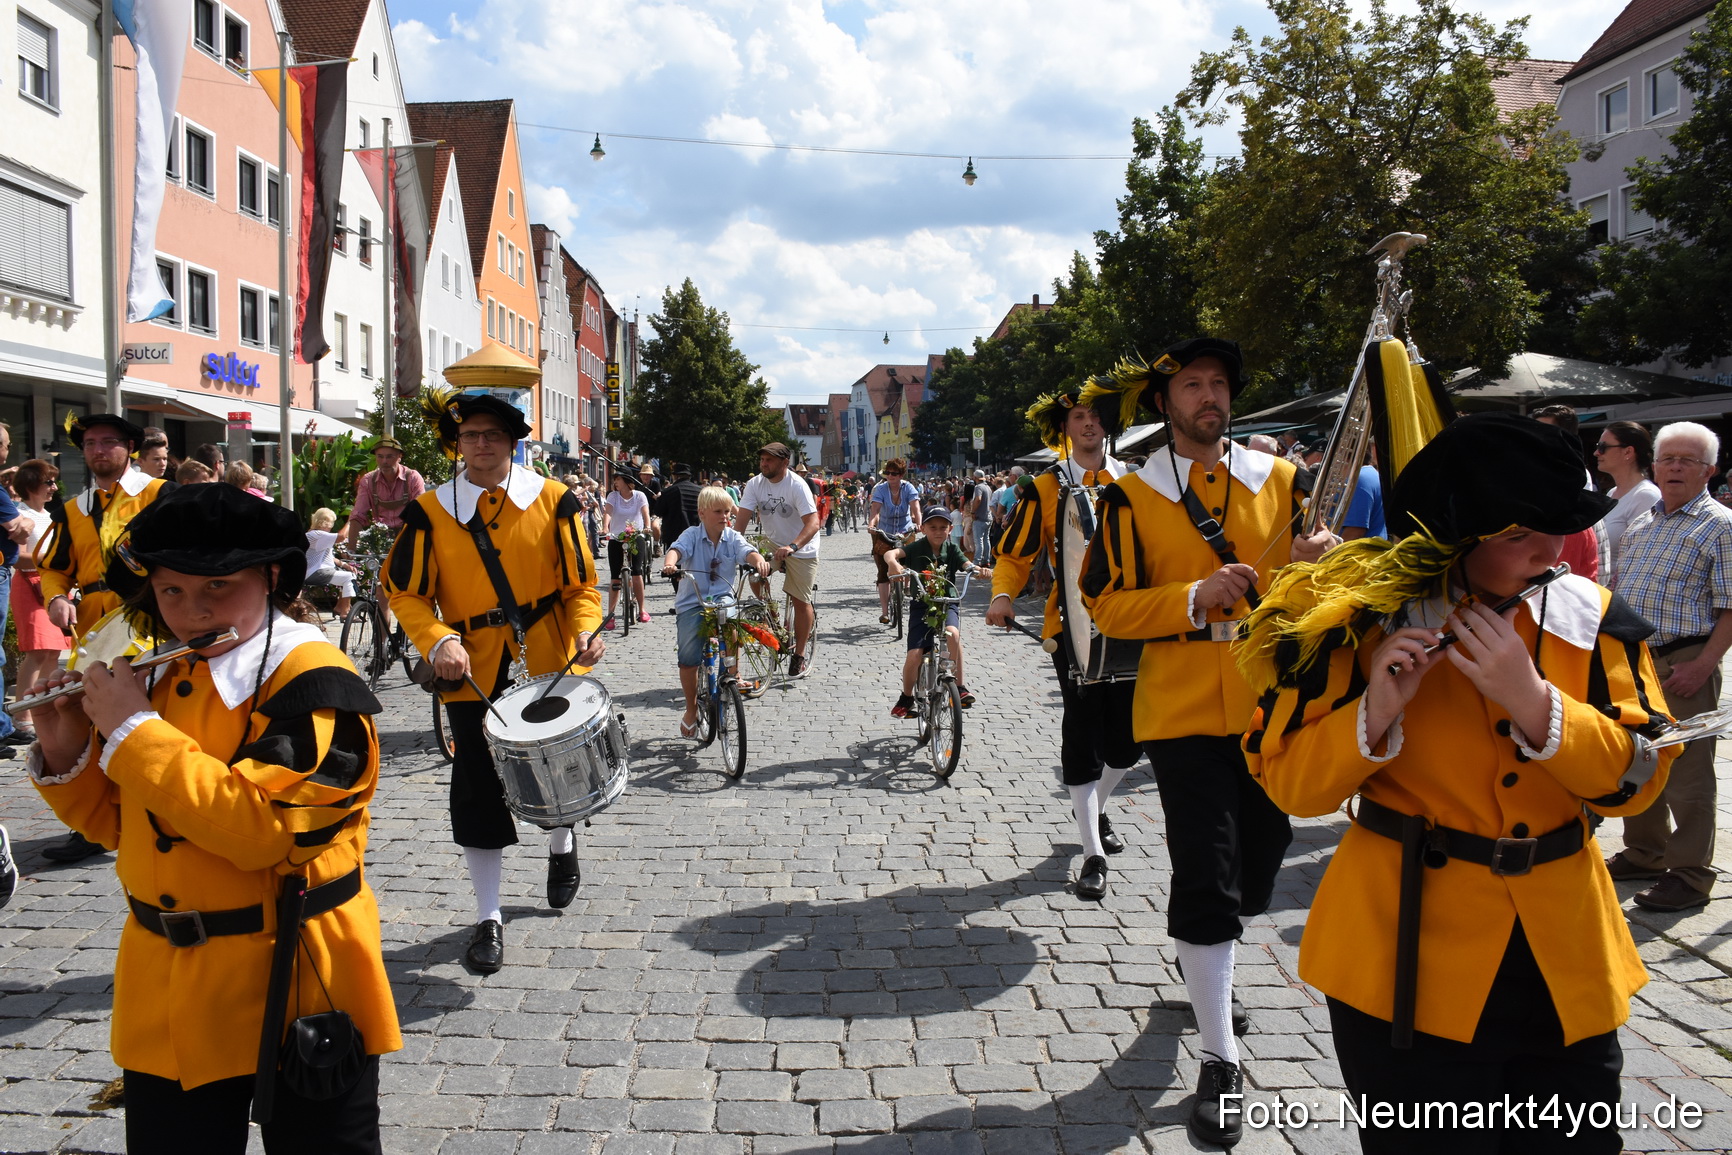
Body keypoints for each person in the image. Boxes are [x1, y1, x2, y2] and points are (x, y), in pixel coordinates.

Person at [1241, 412, 1674, 1153]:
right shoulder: (1359, 625)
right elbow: (1288, 784)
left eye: (1561, 524)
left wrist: (1536, 703)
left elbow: (1640, 781)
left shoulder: (1593, 619)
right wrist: (1373, 711)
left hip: (1563, 955)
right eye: (1519, 533)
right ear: (1461, 530)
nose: (1549, 548)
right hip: (1404, 958)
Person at [23, 482, 401, 1153]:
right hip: (169, 986)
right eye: (171, 591)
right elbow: (127, 827)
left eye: (217, 588)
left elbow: (261, 831)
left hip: (299, 981)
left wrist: (132, 729)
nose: (192, 612)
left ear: (271, 578)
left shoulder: (317, 683)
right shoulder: (163, 671)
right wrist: (68, 746)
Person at [1079, 339, 1334, 1148]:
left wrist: (1315, 568)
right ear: (1167, 403)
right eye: (1193, 384)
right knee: (1206, 871)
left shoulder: (1285, 482)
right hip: (1181, 710)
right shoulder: (1130, 497)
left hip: (1271, 709)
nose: (1209, 395)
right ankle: (1221, 1058)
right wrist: (1192, 596)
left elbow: (1320, 587)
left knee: (1259, 865)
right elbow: (1106, 604)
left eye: (1220, 382)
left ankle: (1205, 969)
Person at [385, 388, 605, 974]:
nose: (480, 446)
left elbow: (580, 587)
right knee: (478, 787)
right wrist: (437, 639)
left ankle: (561, 846)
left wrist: (587, 630)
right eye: (470, 436)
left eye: (492, 435)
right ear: (457, 445)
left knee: (556, 771)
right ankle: (489, 916)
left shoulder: (554, 500)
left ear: (512, 444)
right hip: (468, 667)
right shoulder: (430, 511)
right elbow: (404, 592)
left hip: (546, 655)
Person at [988, 390, 1139, 901]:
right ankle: (1092, 851)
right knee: (1081, 734)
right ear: (1065, 427)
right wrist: (1003, 593)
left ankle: (1094, 805)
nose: (1090, 423)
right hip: (1070, 630)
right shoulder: (1044, 487)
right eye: (1080, 416)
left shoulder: (1137, 481)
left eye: (1097, 415)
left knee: (1128, 741)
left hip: (1134, 626)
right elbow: (1016, 551)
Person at [36, 414, 176, 863]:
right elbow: (53, 567)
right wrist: (57, 597)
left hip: (150, 620)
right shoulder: (72, 509)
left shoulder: (159, 495)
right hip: (95, 628)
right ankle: (94, 823)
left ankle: (160, 802)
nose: (99, 450)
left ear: (130, 448)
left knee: (152, 713)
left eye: (109, 442)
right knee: (89, 716)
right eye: (91, 443)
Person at [1607, 420, 1732, 912]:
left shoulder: (1720, 526)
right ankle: (1645, 852)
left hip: (1684, 661)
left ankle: (1691, 874)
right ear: (1653, 463)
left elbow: (1731, 605)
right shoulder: (1644, 520)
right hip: (1637, 660)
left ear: (1710, 470)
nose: (1676, 467)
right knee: (1637, 759)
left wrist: (1704, 664)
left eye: (1689, 461)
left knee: (1689, 775)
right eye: (1668, 459)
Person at [662, 486, 770, 734]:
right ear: (702, 513)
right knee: (688, 660)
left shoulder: (732, 536)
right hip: (693, 602)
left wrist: (759, 561)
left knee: (731, 619)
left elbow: (748, 551)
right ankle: (691, 708)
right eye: (718, 511)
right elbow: (676, 550)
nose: (725, 516)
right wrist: (670, 564)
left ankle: (731, 673)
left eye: (727, 512)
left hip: (722, 598)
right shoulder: (691, 534)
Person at [885, 508, 987, 715]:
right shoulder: (916, 548)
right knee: (915, 654)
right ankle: (906, 697)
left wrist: (979, 570)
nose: (938, 531)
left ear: (950, 529)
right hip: (922, 603)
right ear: (923, 529)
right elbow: (891, 552)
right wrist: (893, 563)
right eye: (932, 527)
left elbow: (967, 565)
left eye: (943, 527)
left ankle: (959, 686)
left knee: (953, 633)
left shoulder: (951, 549)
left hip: (947, 601)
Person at [737, 442, 821, 678]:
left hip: (801, 546)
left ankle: (800, 655)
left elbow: (814, 523)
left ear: (785, 463)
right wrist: (731, 545)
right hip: (772, 542)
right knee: (753, 574)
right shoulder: (755, 484)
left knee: (799, 599)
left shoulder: (797, 485)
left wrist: (793, 546)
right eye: (762, 460)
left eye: (769, 460)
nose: (764, 464)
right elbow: (741, 521)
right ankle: (772, 617)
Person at [11, 459, 69, 718]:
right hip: (30, 584)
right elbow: (16, 557)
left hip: (53, 584)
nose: (54, 487)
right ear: (32, 484)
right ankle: (23, 715)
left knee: (54, 651)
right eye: (49, 482)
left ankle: (45, 710)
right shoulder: (21, 515)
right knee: (36, 651)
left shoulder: (51, 517)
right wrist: (47, 559)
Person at [1594, 420, 1659, 589]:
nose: (1596, 453)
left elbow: (1642, 560)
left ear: (1628, 452)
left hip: (1621, 598)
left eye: (1603, 447)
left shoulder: (1645, 496)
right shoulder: (1612, 493)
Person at [869, 459, 922, 625]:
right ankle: (885, 612)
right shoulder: (881, 489)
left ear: (901, 475)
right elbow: (876, 510)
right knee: (883, 571)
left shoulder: (908, 488)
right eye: (888, 473)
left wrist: (918, 523)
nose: (890, 476)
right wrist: (872, 524)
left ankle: (906, 582)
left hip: (905, 530)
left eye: (894, 473)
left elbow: (915, 507)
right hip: (885, 531)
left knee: (910, 558)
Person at [346, 437, 426, 544]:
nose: (384, 461)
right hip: (381, 538)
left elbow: (420, 513)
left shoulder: (412, 478)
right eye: (380, 456)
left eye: (389, 457)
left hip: (408, 536)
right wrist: (351, 548)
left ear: (399, 456)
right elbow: (358, 515)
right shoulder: (368, 480)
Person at [602, 471, 652, 629]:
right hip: (617, 537)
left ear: (626, 481)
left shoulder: (639, 496)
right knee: (615, 576)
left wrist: (647, 527)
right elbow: (608, 513)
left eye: (618, 479)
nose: (615, 482)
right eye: (615, 479)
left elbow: (645, 514)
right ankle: (610, 615)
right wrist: (604, 527)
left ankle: (642, 609)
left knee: (637, 572)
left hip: (635, 536)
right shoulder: (613, 496)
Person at [304, 508, 358, 617]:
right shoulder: (318, 535)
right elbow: (342, 537)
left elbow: (327, 556)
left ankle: (339, 607)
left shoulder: (313, 535)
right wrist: (350, 521)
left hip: (313, 572)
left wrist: (344, 565)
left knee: (347, 575)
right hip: (316, 572)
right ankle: (345, 612)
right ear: (326, 523)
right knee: (348, 577)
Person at [653, 463, 703, 559]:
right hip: (698, 532)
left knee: (675, 567)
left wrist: (659, 499)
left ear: (674, 476)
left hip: (674, 535)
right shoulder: (700, 491)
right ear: (689, 476)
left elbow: (658, 511)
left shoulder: (668, 492)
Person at [964, 469, 992, 564]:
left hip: (979, 517)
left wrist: (973, 511)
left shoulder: (978, 487)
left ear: (975, 477)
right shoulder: (988, 487)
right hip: (988, 517)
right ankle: (986, 560)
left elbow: (978, 499)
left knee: (978, 540)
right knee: (986, 539)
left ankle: (977, 561)